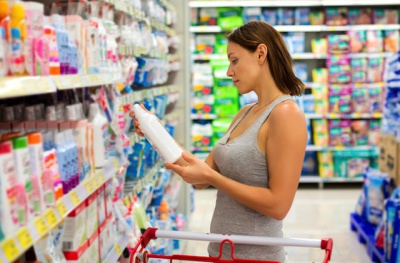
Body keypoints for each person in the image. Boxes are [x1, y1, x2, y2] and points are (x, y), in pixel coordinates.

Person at [130, 20, 307, 262]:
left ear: (261, 53)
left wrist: (213, 178)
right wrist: (155, 131)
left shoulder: (286, 114)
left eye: (234, 60)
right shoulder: (244, 113)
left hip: (256, 256)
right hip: (222, 252)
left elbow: (278, 206)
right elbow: (200, 174)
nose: (229, 71)